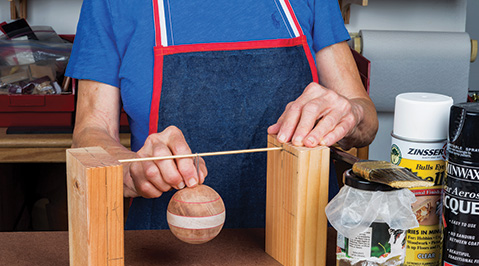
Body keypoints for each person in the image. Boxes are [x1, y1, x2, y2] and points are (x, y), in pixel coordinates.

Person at [66, 0, 378, 229]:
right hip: (164, 254)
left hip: (304, 248)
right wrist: (130, 172)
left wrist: (349, 113)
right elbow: (90, 132)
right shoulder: (109, 4)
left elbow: (365, 119)